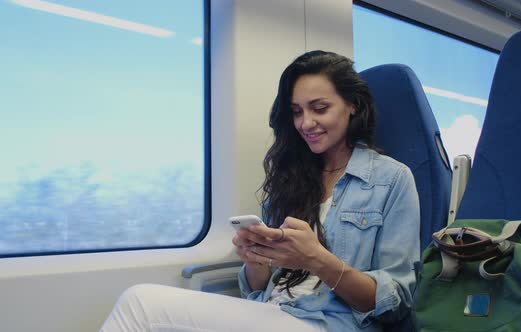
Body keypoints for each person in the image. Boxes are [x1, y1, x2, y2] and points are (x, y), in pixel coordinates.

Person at [99, 50, 420, 332]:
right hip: (272, 313)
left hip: (330, 323)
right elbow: (262, 289)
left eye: (319, 108)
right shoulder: (292, 180)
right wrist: (255, 260)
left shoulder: (391, 180)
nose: (306, 123)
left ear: (352, 105)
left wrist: (317, 259)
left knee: (139, 304)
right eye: (296, 112)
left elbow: (395, 303)